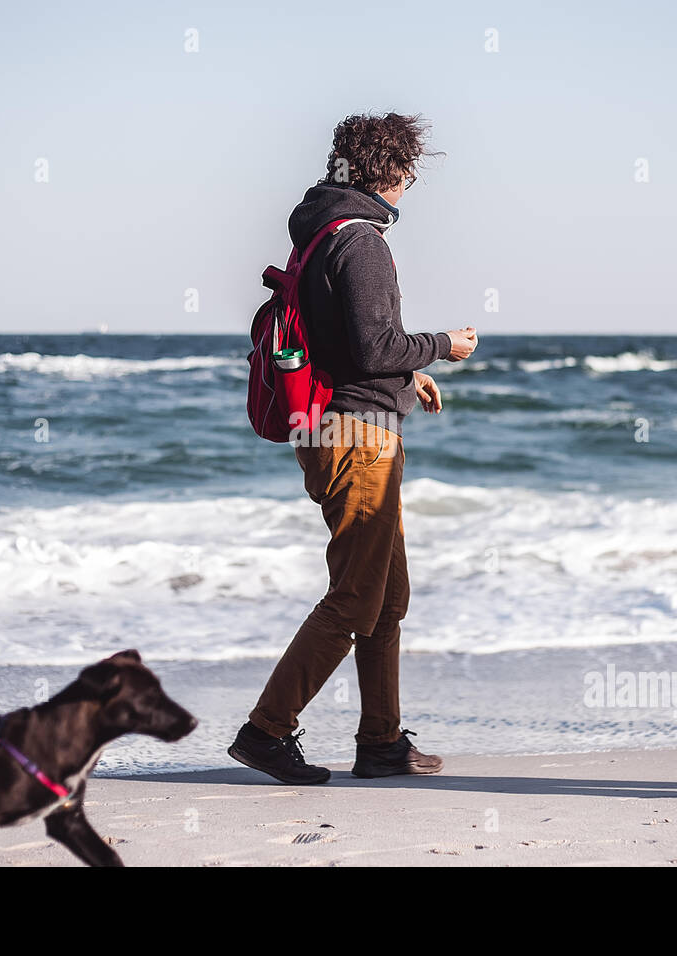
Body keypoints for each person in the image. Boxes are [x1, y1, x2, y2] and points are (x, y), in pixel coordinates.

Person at [228, 112, 479, 784]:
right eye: (409, 171)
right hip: (357, 437)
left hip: (342, 427)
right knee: (355, 597)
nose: (411, 183)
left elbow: (345, 344)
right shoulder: (361, 240)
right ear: (393, 171)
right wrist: (441, 347)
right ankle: (266, 732)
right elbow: (374, 347)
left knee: (387, 597)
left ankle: (382, 742)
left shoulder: (322, 233)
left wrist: (407, 374)